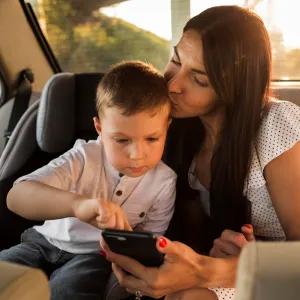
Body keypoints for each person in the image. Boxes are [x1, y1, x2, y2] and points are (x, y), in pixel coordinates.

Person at [101, 5, 300, 300]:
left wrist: (209, 269)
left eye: (199, 79)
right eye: (175, 60)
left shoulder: (276, 125)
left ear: (233, 86)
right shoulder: (171, 132)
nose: (173, 85)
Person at [1, 61, 177, 300]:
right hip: (41, 242)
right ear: (99, 129)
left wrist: (129, 240)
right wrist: (78, 206)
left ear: (167, 128)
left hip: (94, 256)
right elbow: (16, 197)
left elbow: (152, 245)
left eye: (152, 138)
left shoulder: (164, 182)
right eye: (122, 140)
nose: (137, 155)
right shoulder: (83, 158)